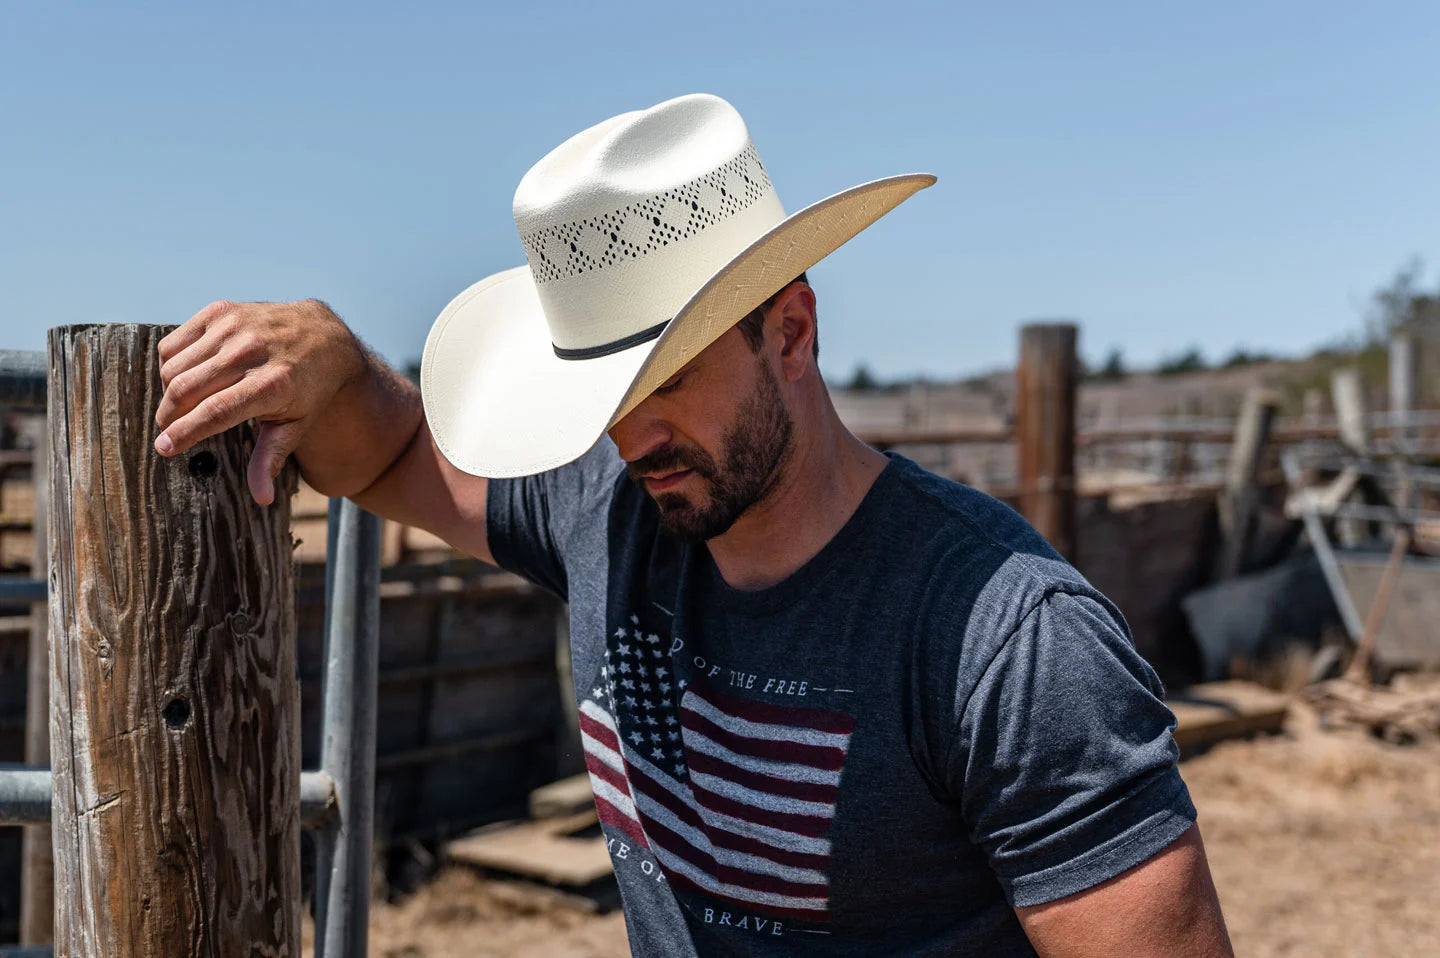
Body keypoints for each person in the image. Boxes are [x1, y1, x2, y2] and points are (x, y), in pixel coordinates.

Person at [153, 94, 1232, 956]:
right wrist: (326, 354)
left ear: (793, 329)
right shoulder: (609, 509)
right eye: (600, 392)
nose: (631, 431)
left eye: (665, 376)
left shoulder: (1009, 638)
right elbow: (389, 448)